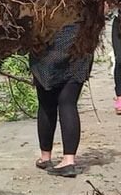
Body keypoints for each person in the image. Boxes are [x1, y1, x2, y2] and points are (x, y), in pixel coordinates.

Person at [29, 22, 93, 178]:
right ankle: (69, 160)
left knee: (46, 104)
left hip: (50, 43)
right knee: (68, 103)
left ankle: (45, 157)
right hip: (80, 44)